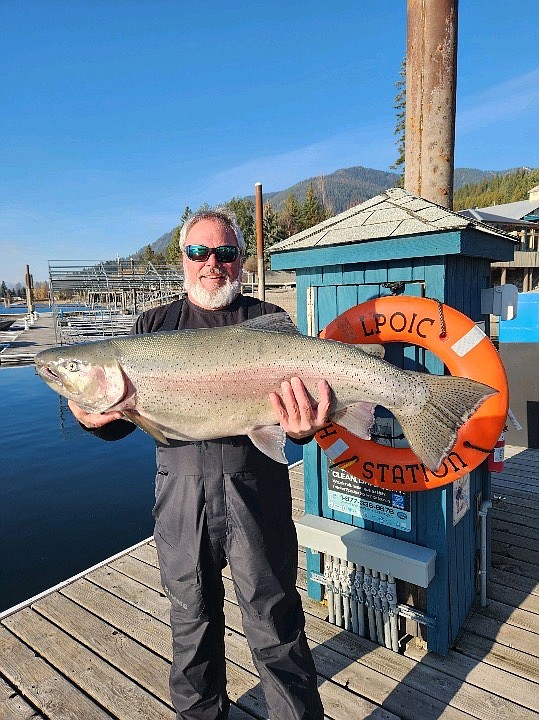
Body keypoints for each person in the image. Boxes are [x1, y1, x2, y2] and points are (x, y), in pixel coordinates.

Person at [68, 208, 330, 720]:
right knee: (191, 625)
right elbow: (124, 420)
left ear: (241, 259)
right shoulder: (152, 327)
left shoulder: (266, 321)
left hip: (257, 490)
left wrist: (307, 429)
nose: (214, 263)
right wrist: (92, 418)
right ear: (183, 259)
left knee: (274, 622)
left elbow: (304, 418)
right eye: (200, 252)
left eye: (226, 253)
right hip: (181, 498)